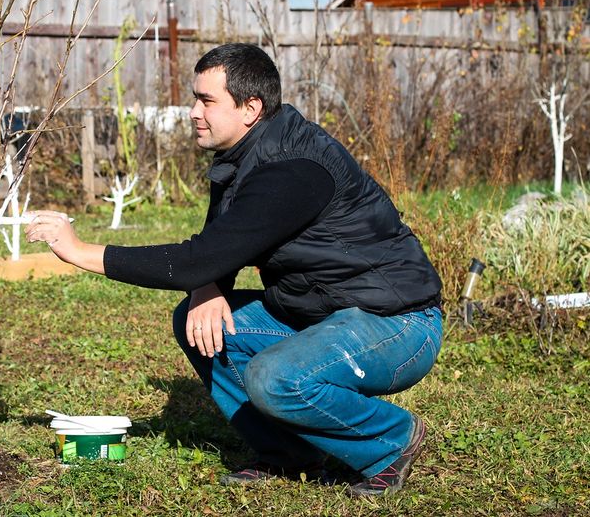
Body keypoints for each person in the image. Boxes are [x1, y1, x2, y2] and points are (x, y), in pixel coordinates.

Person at [25, 43, 443, 497]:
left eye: (206, 100)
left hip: (396, 324)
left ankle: (392, 439)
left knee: (275, 377)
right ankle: (288, 454)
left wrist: (80, 251)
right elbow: (219, 245)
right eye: (195, 99)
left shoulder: (294, 169)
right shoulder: (242, 155)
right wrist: (209, 287)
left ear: (250, 108)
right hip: (321, 314)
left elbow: (195, 260)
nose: (193, 112)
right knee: (197, 321)